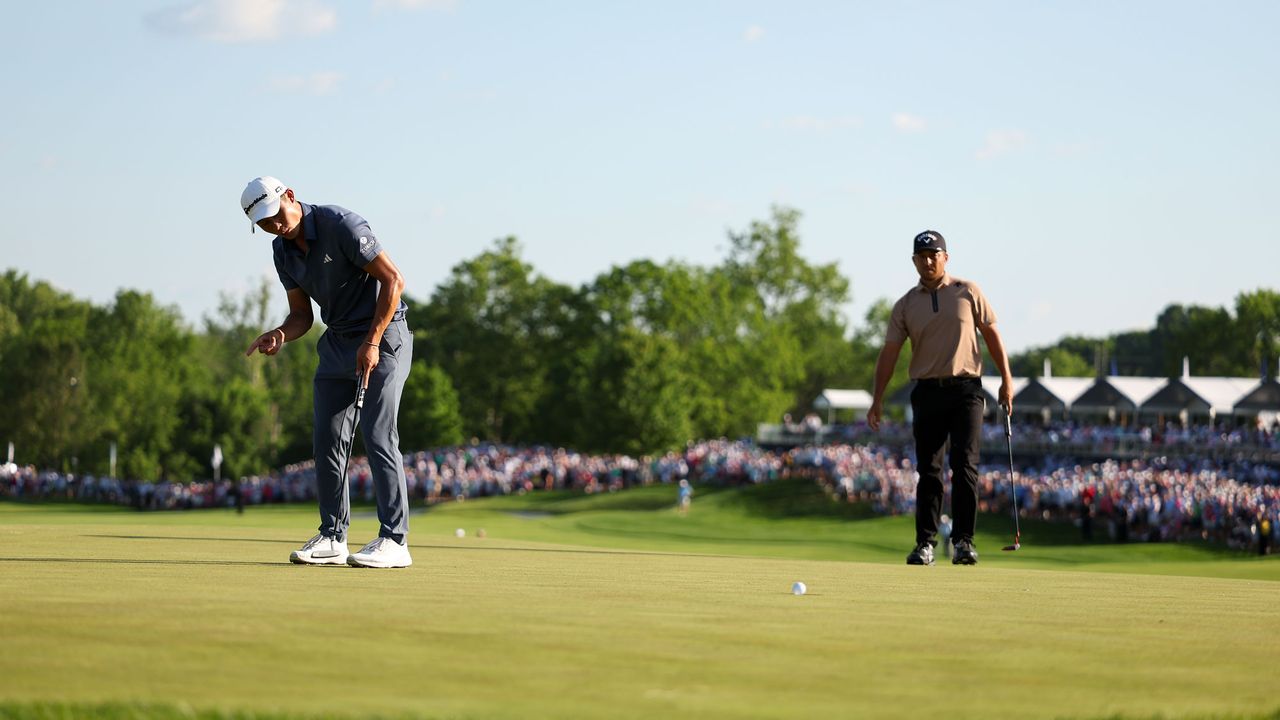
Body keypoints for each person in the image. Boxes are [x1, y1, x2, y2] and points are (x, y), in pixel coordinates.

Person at [240, 176, 414, 569]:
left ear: (290, 196)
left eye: (275, 215)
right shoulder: (282, 252)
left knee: (376, 434)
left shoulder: (341, 225)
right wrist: (281, 333)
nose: (274, 225)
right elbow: (303, 315)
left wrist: (372, 342)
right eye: (264, 223)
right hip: (337, 340)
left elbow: (393, 280)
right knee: (327, 438)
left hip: (383, 334)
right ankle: (333, 536)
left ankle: (394, 540)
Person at [867, 230, 1014, 566]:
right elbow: (889, 353)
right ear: (914, 261)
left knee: (965, 466)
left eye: (935, 254)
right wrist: (877, 399)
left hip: (966, 390)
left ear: (946, 257)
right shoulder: (906, 304)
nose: (929, 260)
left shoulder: (968, 291)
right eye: (922, 256)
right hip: (927, 392)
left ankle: (964, 541)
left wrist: (1007, 380)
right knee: (929, 471)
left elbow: (992, 336)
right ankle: (925, 544)